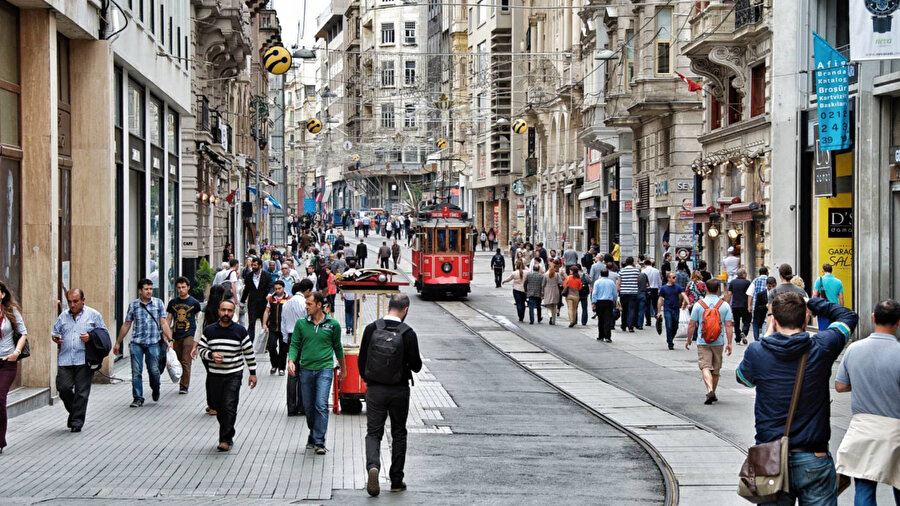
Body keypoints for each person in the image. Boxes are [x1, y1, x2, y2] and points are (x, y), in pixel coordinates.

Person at [736, 293, 859, 505]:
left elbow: (743, 379)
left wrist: (766, 338)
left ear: (774, 321)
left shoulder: (757, 350)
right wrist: (813, 303)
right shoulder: (822, 346)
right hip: (814, 456)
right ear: (805, 320)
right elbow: (848, 316)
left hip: (770, 457)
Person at [834, 299, 900, 505]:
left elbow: (840, 386)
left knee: (864, 489)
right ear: (898, 322)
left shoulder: (854, 349)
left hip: (862, 430)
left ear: (873, 318)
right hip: (895, 432)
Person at [358, 294, 423, 496]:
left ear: (389, 307)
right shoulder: (408, 333)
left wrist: (371, 380)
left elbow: (362, 361)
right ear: (405, 310)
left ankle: (373, 466)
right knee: (398, 433)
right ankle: (396, 480)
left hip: (375, 389)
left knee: (373, 432)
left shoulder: (371, 329)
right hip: (399, 390)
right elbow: (417, 366)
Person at [288, 291, 347, 455]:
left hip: (325, 369)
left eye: (309, 304)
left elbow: (338, 347)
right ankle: (313, 434)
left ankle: (319, 441)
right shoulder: (301, 324)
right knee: (308, 407)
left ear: (319, 305)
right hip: (306, 369)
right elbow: (294, 345)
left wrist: (343, 368)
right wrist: (291, 361)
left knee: (320, 404)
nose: (306, 307)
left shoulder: (332, 324)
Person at [197, 300, 257, 452]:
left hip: (233, 374)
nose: (226, 313)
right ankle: (228, 431)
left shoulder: (240, 331)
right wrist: (211, 354)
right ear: (218, 311)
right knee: (218, 406)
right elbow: (201, 349)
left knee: (229, 406)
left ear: (234, 312)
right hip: (215, 375)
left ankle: (225, 438)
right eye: (223, 310)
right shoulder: (210, 330)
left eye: (229, 311)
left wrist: (253, 373)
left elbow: (249, 352)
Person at [52, 288, 108, 432]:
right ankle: (74, 412)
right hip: (65, 359)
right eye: (69, 301)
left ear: (83, 300)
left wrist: (91, 337)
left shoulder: (93, 315)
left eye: (75, 301)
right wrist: (56, 338)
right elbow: (55, 332)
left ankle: (77, 422)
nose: (72, 305)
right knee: (63, 388)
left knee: (81, 392)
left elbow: (103, 334)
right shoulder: (63, 316)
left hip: (84, 359)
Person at [114, 279, 172, 408]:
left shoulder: (158, 303)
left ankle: (155, 388)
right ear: (140, 291)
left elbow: (163, 322)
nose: (149, 291)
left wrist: (170, 340)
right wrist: (118, 342)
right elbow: (127, 324)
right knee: (136, 371)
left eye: (151, 289)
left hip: (153, 342)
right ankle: (138, 398)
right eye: (146, 289)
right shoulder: (134, 305)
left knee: (154, 371)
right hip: (137, 343)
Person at [685, 279, 733, 405]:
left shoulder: (699, 304)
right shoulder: (724, 305)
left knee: (705, 367)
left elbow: (692, 324)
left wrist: (689, 339)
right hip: (718, 341)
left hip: (703, 340)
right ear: (718, 289)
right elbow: (728, 325)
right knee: (716, 370)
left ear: (706, 288)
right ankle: (713, 392)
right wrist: (730, 343)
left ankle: (709, 389)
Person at [0, 281, 28, 451]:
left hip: (7, 362)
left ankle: (0, 441)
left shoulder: (11, 312)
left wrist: (16, 353)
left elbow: (23, 333)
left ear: (2, 294)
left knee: (0, 398)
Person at [166, 277, 202, 394]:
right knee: (177, 360)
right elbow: (169, 319)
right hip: (176, 335)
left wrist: (198, 337)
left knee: (186, 360)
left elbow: (199, 319)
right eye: (179, 288)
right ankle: (179, 378)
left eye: (183, 287)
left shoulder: (194, 303)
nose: (181, 290)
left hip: (189, 334)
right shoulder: (173, 303)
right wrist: (167, 335)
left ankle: (184, 386)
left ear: (188, 287)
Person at [240, 257, 273, 343]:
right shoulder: (249, 276)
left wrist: (269, 294)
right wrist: (242, 302)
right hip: (252, 304)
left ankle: (266, 343)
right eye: (252, 265)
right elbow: (246, 290)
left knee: (265, 323)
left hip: (263, 303)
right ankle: (250, 342)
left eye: (255, 265)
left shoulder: (267, 276)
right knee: (251, 323)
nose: (253, 267)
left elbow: (271, 286)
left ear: (260, 266)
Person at [262, 280, 291, 376]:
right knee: (271, 346)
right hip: (273, 327)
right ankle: (274, 364)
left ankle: (281, 368)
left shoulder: (288, 299)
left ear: (283, 288)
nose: (278, 290)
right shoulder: (271, 299)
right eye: (276, 289)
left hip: (284, 329)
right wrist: (264, 324)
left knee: (283, 349)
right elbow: (267, 311)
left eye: (279, 288)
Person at [657, 272, 688, 350]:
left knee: (675, 326)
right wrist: (659, 311)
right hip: (667, 309)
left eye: (675, 277)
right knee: (669, 325)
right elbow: (660, 299)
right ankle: (670, 342)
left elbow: (684, 294)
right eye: (673, 277)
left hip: (676, 309)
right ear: (668, 278)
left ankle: (671, 338)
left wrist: (688, 303)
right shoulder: (664, 288)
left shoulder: (677, 287)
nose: (675, 278)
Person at [812, 264, 845, 330]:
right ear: (831, 271)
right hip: (834, 309)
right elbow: (841, 298)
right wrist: (841, 310)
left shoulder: (819, 280)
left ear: (823, 271)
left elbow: (815, 295)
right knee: (833, 330)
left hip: (822, 308)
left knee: (823, 330)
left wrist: (813, 309)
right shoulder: (839, 282)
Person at [726, 269, 752, 345]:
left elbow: (729, 294)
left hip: (735, 305)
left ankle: (737, 339)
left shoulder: (732, 282)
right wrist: (749, 305)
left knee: (736, 323)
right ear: (743, 274)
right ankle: (744, 332)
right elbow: (749, 294)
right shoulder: (747, 282)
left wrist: (727, 304)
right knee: (747, 320)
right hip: (744, 305)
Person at [591, 269, 617, 342]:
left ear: (600, 274)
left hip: (599, 302)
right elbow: (614, 293)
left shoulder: (597, 282)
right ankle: (607, 336)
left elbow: (594, 293)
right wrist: (614, 299)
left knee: (601, 319)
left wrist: (593, 302)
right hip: (608, 302)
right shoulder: (611, 282)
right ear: (607, 274)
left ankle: (601, 335)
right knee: (607, 319)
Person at [617, 257, 640, 332]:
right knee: (632, 309)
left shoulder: (622, 271)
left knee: (624, 309)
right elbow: (638, 281)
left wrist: (618, 291)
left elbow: (619, 283)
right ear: (632, 262)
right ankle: (630, 326)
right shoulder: (636, 271)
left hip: (623, 292)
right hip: (633, 292)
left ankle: (623, 325)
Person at [747, 267, 770, 341]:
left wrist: (749, 305)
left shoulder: (755, 280)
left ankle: (756, 339)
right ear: (767, 273)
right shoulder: (770, 280)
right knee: (765, 321)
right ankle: (765, 337)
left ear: (759, 273)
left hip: (757, 306)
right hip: (768, 305)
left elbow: (750, 293)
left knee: (755, 323)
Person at [543, 261, 564, 325]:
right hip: (555, 290)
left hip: (548, 290)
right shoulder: (557, 274)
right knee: (554, 306)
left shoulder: (546, 274)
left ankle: (550, 315)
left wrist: (542, 291)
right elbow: (560, 282)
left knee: (548, 305)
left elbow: (543, 284)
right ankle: (553, 320)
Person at [644, 260, 662, 327]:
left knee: (647, 306)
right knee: (655, 304)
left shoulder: (644, 271)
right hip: (655, 289)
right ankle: (657, 315)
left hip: (647, 289)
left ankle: (648, 321)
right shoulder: (656, 271)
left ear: (645, 264)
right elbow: (659, 280)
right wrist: (660, 289)